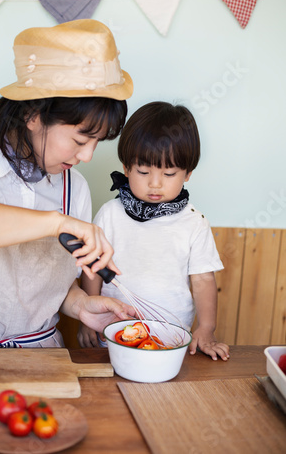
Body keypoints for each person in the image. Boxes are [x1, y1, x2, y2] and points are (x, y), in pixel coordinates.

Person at [0, 19, 136, 348]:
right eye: (81, 139)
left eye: (98, 142)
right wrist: (56, 222)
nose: (88, 156)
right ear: (33, 114)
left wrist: (80, 305)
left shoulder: (73, 188)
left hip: (43, 357)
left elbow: (48, 285)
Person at [78, 101, 230, 361]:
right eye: (143, 171)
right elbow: (93, 267)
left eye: (169, 173)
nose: (155, 183)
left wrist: (206, 329)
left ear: (188, 173)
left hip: (170, 340)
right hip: (113, 335)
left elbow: (203, 280)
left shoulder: (194, 222)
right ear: (126, 168)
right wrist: (86, 319)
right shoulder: (110, 214)